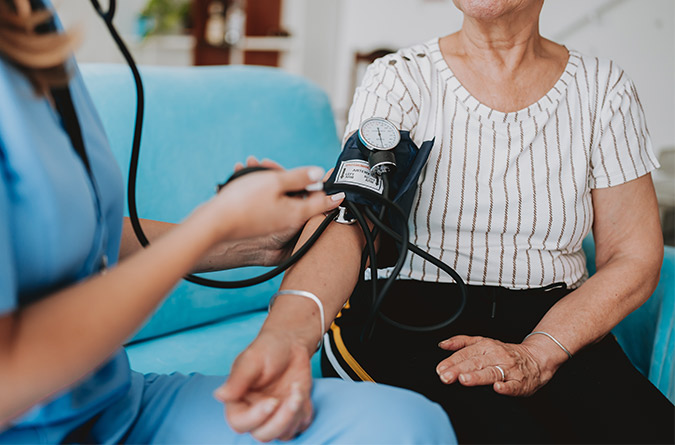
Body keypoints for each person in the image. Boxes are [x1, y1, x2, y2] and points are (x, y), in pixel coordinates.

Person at [0, 0, 457, 443]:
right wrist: (213, 223)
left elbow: (79, 244)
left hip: (112, 402)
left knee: (408, 425)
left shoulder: (35, 27)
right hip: (27, 423)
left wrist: (250, 243)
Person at [220, 0, 675, 443]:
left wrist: (538, 353)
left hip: (556, 321)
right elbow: (351, 222)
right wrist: (288, 337)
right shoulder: (399, 79)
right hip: (405, 313)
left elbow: (633, 256)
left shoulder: (604, 89)